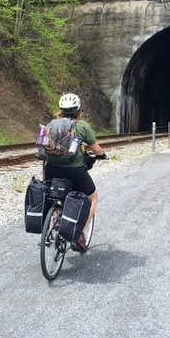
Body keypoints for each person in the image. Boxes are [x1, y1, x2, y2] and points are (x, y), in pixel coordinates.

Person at [43, 93, 107, 252]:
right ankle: (78, 234)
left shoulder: (51, 124)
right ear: (78, 110)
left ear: (61, 109)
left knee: (55, 196)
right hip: (74, 169)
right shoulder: (82, 126)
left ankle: (57, 222)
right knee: (92, 196)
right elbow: (96, 149)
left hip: (50, 168)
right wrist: (102, 155)